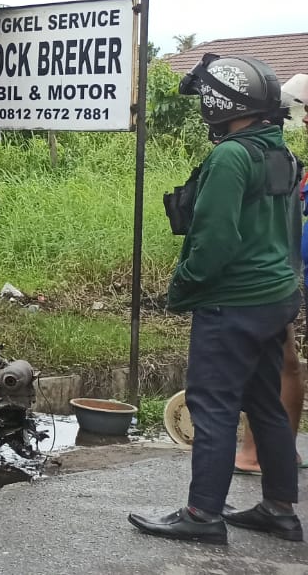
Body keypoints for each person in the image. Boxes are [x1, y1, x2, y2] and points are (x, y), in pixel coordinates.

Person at [130, 54, 303, 546]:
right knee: (264, 403)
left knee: (213, 406)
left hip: (235, 302)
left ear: (222, 101)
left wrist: (182, 287)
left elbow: (215, 243)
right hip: (275, 296)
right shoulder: (281, 153)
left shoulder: (230, 156)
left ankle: (202, 515)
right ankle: (279, 509)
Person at [237, 76, 308, 474]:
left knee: (272, 362)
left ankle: (258, 452)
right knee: (284, 360)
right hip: (286, 274)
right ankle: (278, 450)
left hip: (272, 277)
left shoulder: (263, 159)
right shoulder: (289, 160)